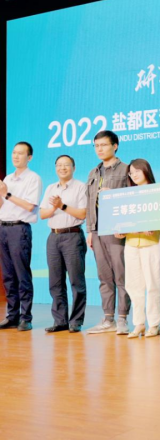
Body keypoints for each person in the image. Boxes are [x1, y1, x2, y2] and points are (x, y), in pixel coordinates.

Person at [85, 130, 131, 335]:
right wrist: (89, 230)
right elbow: (89, 203)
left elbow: (133, 197)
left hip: (116, 229)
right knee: (104, 276)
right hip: (97, 230)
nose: (100, 149)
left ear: (115, 146)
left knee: (121, 275)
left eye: (104, 145)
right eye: (96, 146)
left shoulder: (126, 169)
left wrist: (114, 195)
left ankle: (122, 318)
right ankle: (108, 318)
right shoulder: (93, 172)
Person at [40, 155, 88, 333]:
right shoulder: (51, 188)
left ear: (73, 168)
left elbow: (83, 214)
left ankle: (76, 321)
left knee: (76, 280)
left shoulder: (80, 187)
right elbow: (43, 214)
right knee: (55, 281)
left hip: (72, 235)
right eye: (59, 165)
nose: (62, 168)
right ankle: (60, 320)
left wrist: (62, 206)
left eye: (66, 165)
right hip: (53, 237)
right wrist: (54, 207)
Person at [115, 159, 160, 339]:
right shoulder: (127, 195)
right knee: (133, 285)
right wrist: (119, 230)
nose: (134, 175)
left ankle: (154, 324)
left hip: (151, 244)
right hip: (131, 244)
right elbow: (120, 222)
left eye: (137, 171)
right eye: (131, 172)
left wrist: (152, 226)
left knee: (153, 285)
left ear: (146, 170)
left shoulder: (157, 193)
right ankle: (139, 323)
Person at [0, 142, 42, 331]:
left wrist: (6, 194)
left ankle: (26, 317)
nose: (16, 156)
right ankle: (12, 315)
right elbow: (3, 204)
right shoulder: (8, 178)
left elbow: (30, 206)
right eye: (14, 153)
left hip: (19, 229)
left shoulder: (33, 179)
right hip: (3, 227)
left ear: (29, 157)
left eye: (20, 153)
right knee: (8, 275)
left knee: (21, 274)